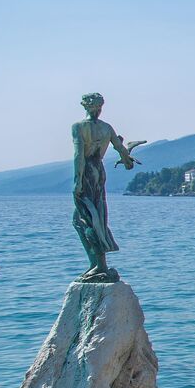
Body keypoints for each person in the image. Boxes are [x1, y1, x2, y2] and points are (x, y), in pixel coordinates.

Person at [72, 93, 139, 282]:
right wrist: (127, 160)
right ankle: (97, 263)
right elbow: (121, 149)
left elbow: (79, 155)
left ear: (85, 106)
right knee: (97, 216)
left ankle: (98, 264)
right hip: (99, 172)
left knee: (83, 220)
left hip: (86, 172)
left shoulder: (79, 127)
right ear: (99, 107)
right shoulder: (106, 128)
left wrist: (77, 181)